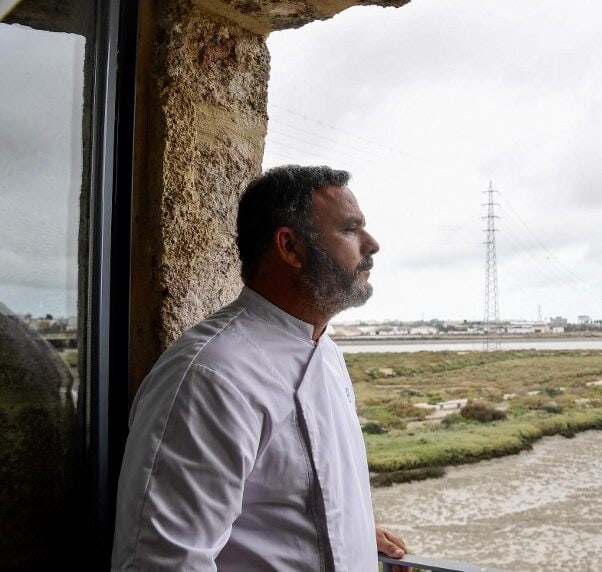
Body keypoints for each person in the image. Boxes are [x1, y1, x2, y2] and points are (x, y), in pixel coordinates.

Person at [111, 165, 409, 570]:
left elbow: (293, 491)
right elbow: (164, 561)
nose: (372, 245)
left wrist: (347, 534)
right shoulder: (210, 376)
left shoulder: (327, 353)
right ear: (290, 247)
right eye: (350, 230)